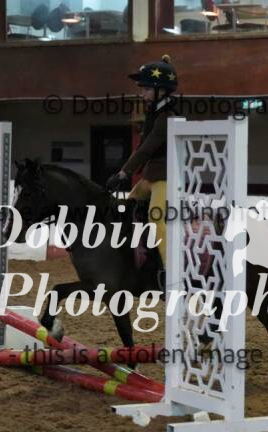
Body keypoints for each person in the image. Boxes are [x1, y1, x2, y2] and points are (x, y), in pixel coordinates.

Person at [106, 54, 178, 282]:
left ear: (161, 90)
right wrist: (124, 172)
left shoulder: (166, 116)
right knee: (126, 206)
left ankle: (172, 271)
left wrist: (124, 172)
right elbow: (142, 148)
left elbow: (146, 149)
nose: (143, 93)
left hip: (165, 177)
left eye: (147, 89)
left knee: (156, 218)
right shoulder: (154, 113)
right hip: (151, 176)